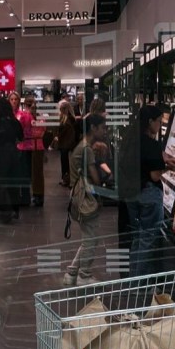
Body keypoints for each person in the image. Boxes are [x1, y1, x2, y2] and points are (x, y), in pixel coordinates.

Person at [128, 104, 175, 277]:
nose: (159, 124)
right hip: (148, 193)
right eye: (158, 121)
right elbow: (155, 176)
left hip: (132, 192)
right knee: (148, 239)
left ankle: (132, 279)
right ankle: (139, 283)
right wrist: (167, 168)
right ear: (150, 122)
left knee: (138, 237)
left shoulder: (132, 139)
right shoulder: (152, 144)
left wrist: (161, 159)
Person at [63, 114, 109, 287]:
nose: (104, 131)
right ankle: (84, 275)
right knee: (91, 238)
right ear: (93, 128)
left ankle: (72, 272)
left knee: (88, 237)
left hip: (77, 196)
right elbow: (96, 179)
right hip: (85, 197)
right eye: (102, 127)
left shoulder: (82, 146)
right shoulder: (87, 149)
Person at [0, 98, 24, 224]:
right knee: (13, 181)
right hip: (14, 153)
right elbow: (21, 137)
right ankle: (15, 209)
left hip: (2, 153)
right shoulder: (15, 121)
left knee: (2, 181)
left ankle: (5, 211)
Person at [16, 95, 45, 207]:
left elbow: (20, 129)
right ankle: (38, 197)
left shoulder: (23, 115)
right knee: (37, 173)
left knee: (27, 172)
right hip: (36, 145)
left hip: (27, 145)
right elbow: (43, 129)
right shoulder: (39, 116)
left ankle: (27, 197)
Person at [55, 100, 78, 187]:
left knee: (65, 162)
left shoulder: (66, 120)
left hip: (65, 143)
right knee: (68, 162)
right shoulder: (71, 119)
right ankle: (68, 179)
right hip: (69, 143)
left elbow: (62, 132)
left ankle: (66, 179)